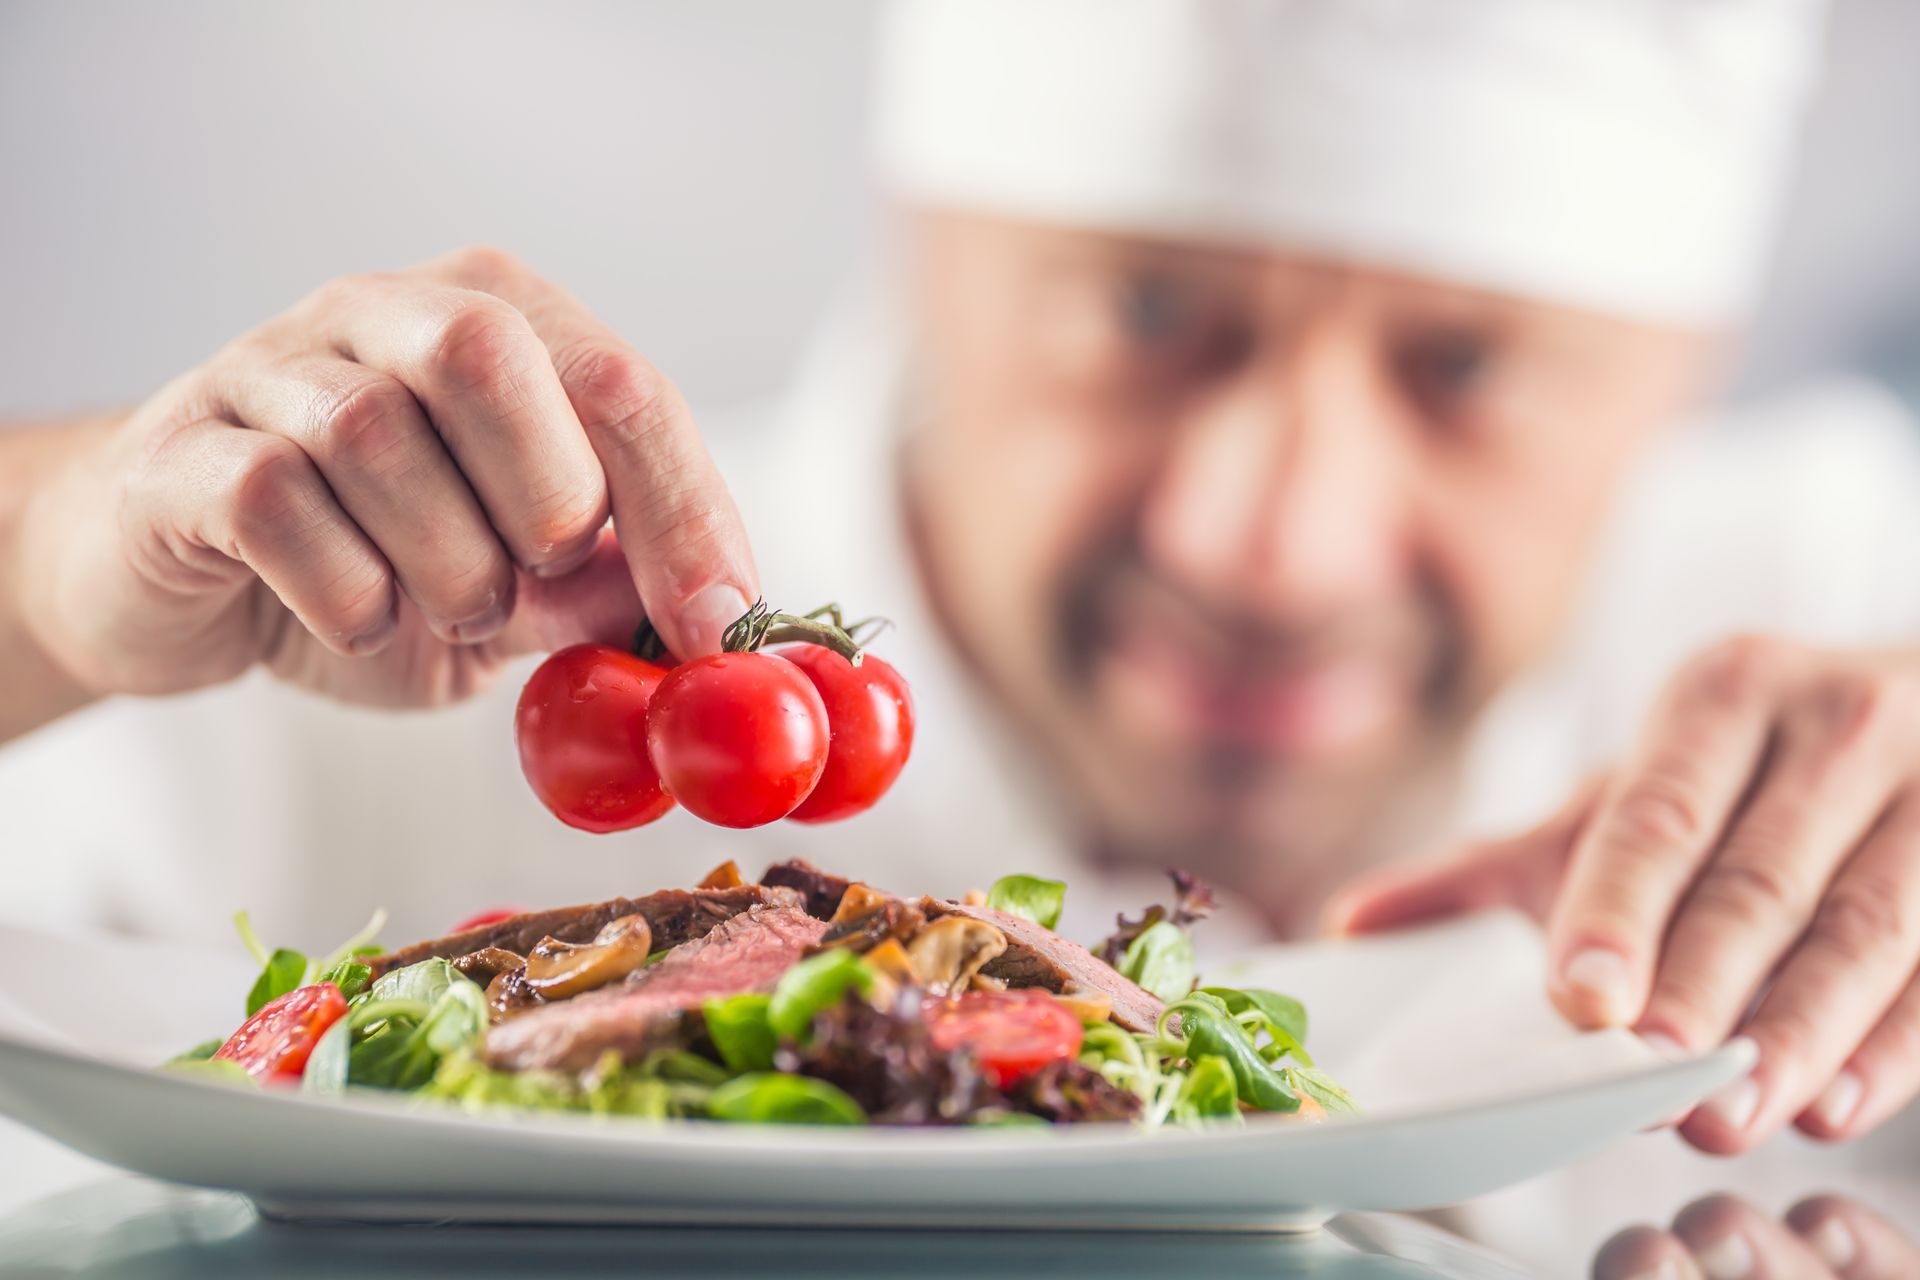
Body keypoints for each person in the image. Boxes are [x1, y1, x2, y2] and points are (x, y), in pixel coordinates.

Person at [2, 0, 1917, 1206]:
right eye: (1151, 314)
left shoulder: (1837, 588)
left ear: (1681, 371)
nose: (1276, 542)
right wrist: (37, 580)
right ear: (925, 250)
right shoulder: (352, 599)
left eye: (1465, 372)